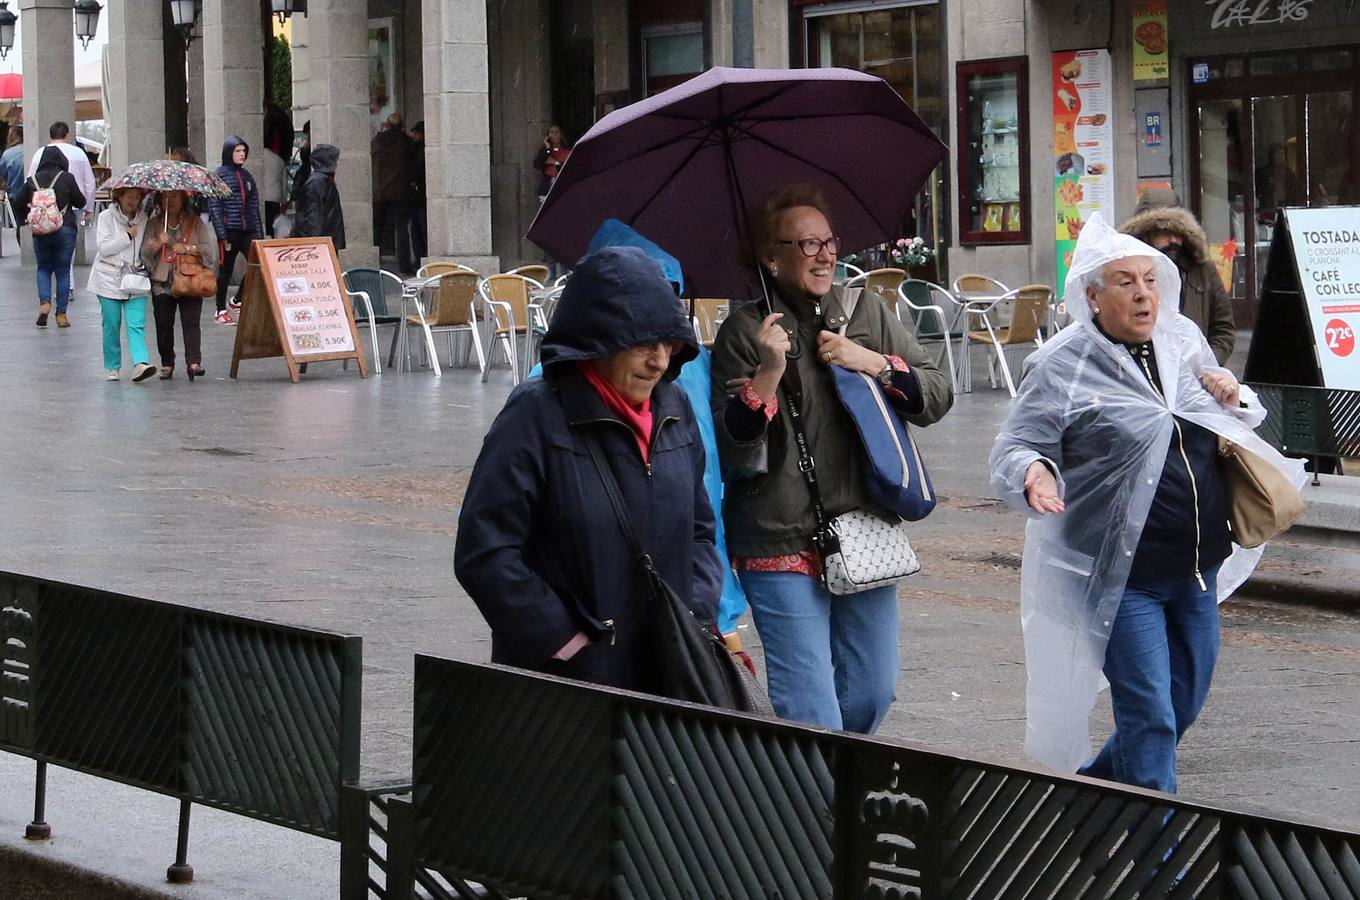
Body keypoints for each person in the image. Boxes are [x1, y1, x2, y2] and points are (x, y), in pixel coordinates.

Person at [989, 213, 1301, 793]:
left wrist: (1231, 395)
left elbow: (1222, 409)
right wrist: (1033, 472)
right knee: (1151, 715)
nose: (1142, 294)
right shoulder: (1063, 364)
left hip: (1197, 567)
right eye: (1126, 281)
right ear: (1092, 294)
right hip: (1121, 576)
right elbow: (1016, 444)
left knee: (1182, 703)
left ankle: (1092, 790)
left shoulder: (1181, 341)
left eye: (1151, 280)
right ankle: (1160, 852)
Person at [709, 184, 953, 734]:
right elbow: (735, 449)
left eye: (829, 241)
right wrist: (768, 373)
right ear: (770, 257)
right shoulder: (746, 332)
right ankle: (820, 809)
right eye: (807, 243)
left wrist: (874, 362)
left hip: (863, 525)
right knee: (809, 710)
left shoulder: (865, 310)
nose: (825, 254)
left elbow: (936, 394)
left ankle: (828, 787)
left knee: (872, 690)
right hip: (777, 536)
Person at [454, 246, 722, 692]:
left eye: (667, 343)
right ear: (598, 339)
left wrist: (694, 614)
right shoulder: (534, 415)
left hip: (669, 670)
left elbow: (698, 530)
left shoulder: (676, 408)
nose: (658, 361)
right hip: (567, 689)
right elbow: (485, 550)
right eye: (642, 344)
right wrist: (566, 642)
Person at [1120, 189, 1236, 365]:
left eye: (1179, 232)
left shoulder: (1202, 269)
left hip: (1196, 380)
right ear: (1145, 234)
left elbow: (1223, 328)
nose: (1173, 239)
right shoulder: (1125, 272)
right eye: (1164, 232)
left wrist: (1207, 366)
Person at [141, 190, 218, 380]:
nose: (170, 201)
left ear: (184, 199)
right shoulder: (154, 223)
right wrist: (159, 243)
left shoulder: (196, 222)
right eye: (166, 197)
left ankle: (194, 362)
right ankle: (167, 363)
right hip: (163, 280)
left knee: (191, 322)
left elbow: (209, 252)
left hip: (190, 279)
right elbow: (144, 253)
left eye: (174, 196)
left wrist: (188, 248)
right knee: (163, 323)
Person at [27, 121, 97, 311]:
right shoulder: (79, 153)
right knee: (66, 257)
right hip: (70, 209)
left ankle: (45, 301)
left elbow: (30, 180)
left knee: (43, 264)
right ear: (67, 134)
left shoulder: (39, 153)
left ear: (50, 135)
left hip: (43, 212)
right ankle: (68, 292)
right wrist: (89, 206)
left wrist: (30, 210)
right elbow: (89, 183)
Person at [89, 187, 155, 382]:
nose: (132, 201)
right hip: (108, 278)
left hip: (135, 279)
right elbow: (104, 248)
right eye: (129, 196)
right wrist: (127, 236)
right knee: (111, 323)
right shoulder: (105, 217)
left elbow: (146, 247)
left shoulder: (144, 219)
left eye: (136, 197)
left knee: (136, 324)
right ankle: (112, 366)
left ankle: (140, 363)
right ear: (119, 196)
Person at [16, 146, 85, 328]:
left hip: (41, 231)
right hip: (65, 228)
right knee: (62, 270)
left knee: (43, 268)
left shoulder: (32, 180)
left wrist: (26, 216)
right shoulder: (67, 178)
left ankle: (45, 303)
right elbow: (81, 201)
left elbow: (17, 201)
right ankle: (61, 315)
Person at [207, 135, 264, 325]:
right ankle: (220, 309)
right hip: (229, 231)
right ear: (229, 152)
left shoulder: (247, 177)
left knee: (258, 266)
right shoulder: (219, 175)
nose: (241, 154)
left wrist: (259, 234)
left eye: (244, 151)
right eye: (238, 151)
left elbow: (254, 207)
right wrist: (221, 234)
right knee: (225, 271)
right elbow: (214, 207)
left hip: (248, 230)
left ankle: (238, 299)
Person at [370, 112, 414, 271]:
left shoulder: (377, 141)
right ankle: (404, 265)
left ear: (387, 125)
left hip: (380, 191)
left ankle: (371, 262)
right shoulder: (406, 142)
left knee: (376, 228)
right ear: (402, 126)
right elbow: (412, 166)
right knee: (401, 229)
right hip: (400, 191)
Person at [293, 144, 345, 248]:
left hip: (325, 241)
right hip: (321, 243)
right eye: (334, 160)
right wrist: (317, 244)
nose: (338, 163)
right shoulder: (317, 182)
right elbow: (314, 215)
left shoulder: (323, 180)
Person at [262, 98, 293, 236]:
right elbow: (284, 184)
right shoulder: (279, 160)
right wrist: (284, 201)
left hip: (262, 196)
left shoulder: (257, 158)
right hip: (274, 197)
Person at [408, 121, 427, 264]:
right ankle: (419, 258)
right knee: (416, 228)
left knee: (420, 228)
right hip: (416, 196)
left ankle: (422, 257)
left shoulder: (420, 150)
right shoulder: (414, 149)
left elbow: (417, 172)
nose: (413, 136)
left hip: (420, 195)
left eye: (416, 133)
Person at [0, 126, 24, 202]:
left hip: (13, 194)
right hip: (30, 194)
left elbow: (2, 175)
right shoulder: (32, 150)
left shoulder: (7, 154)